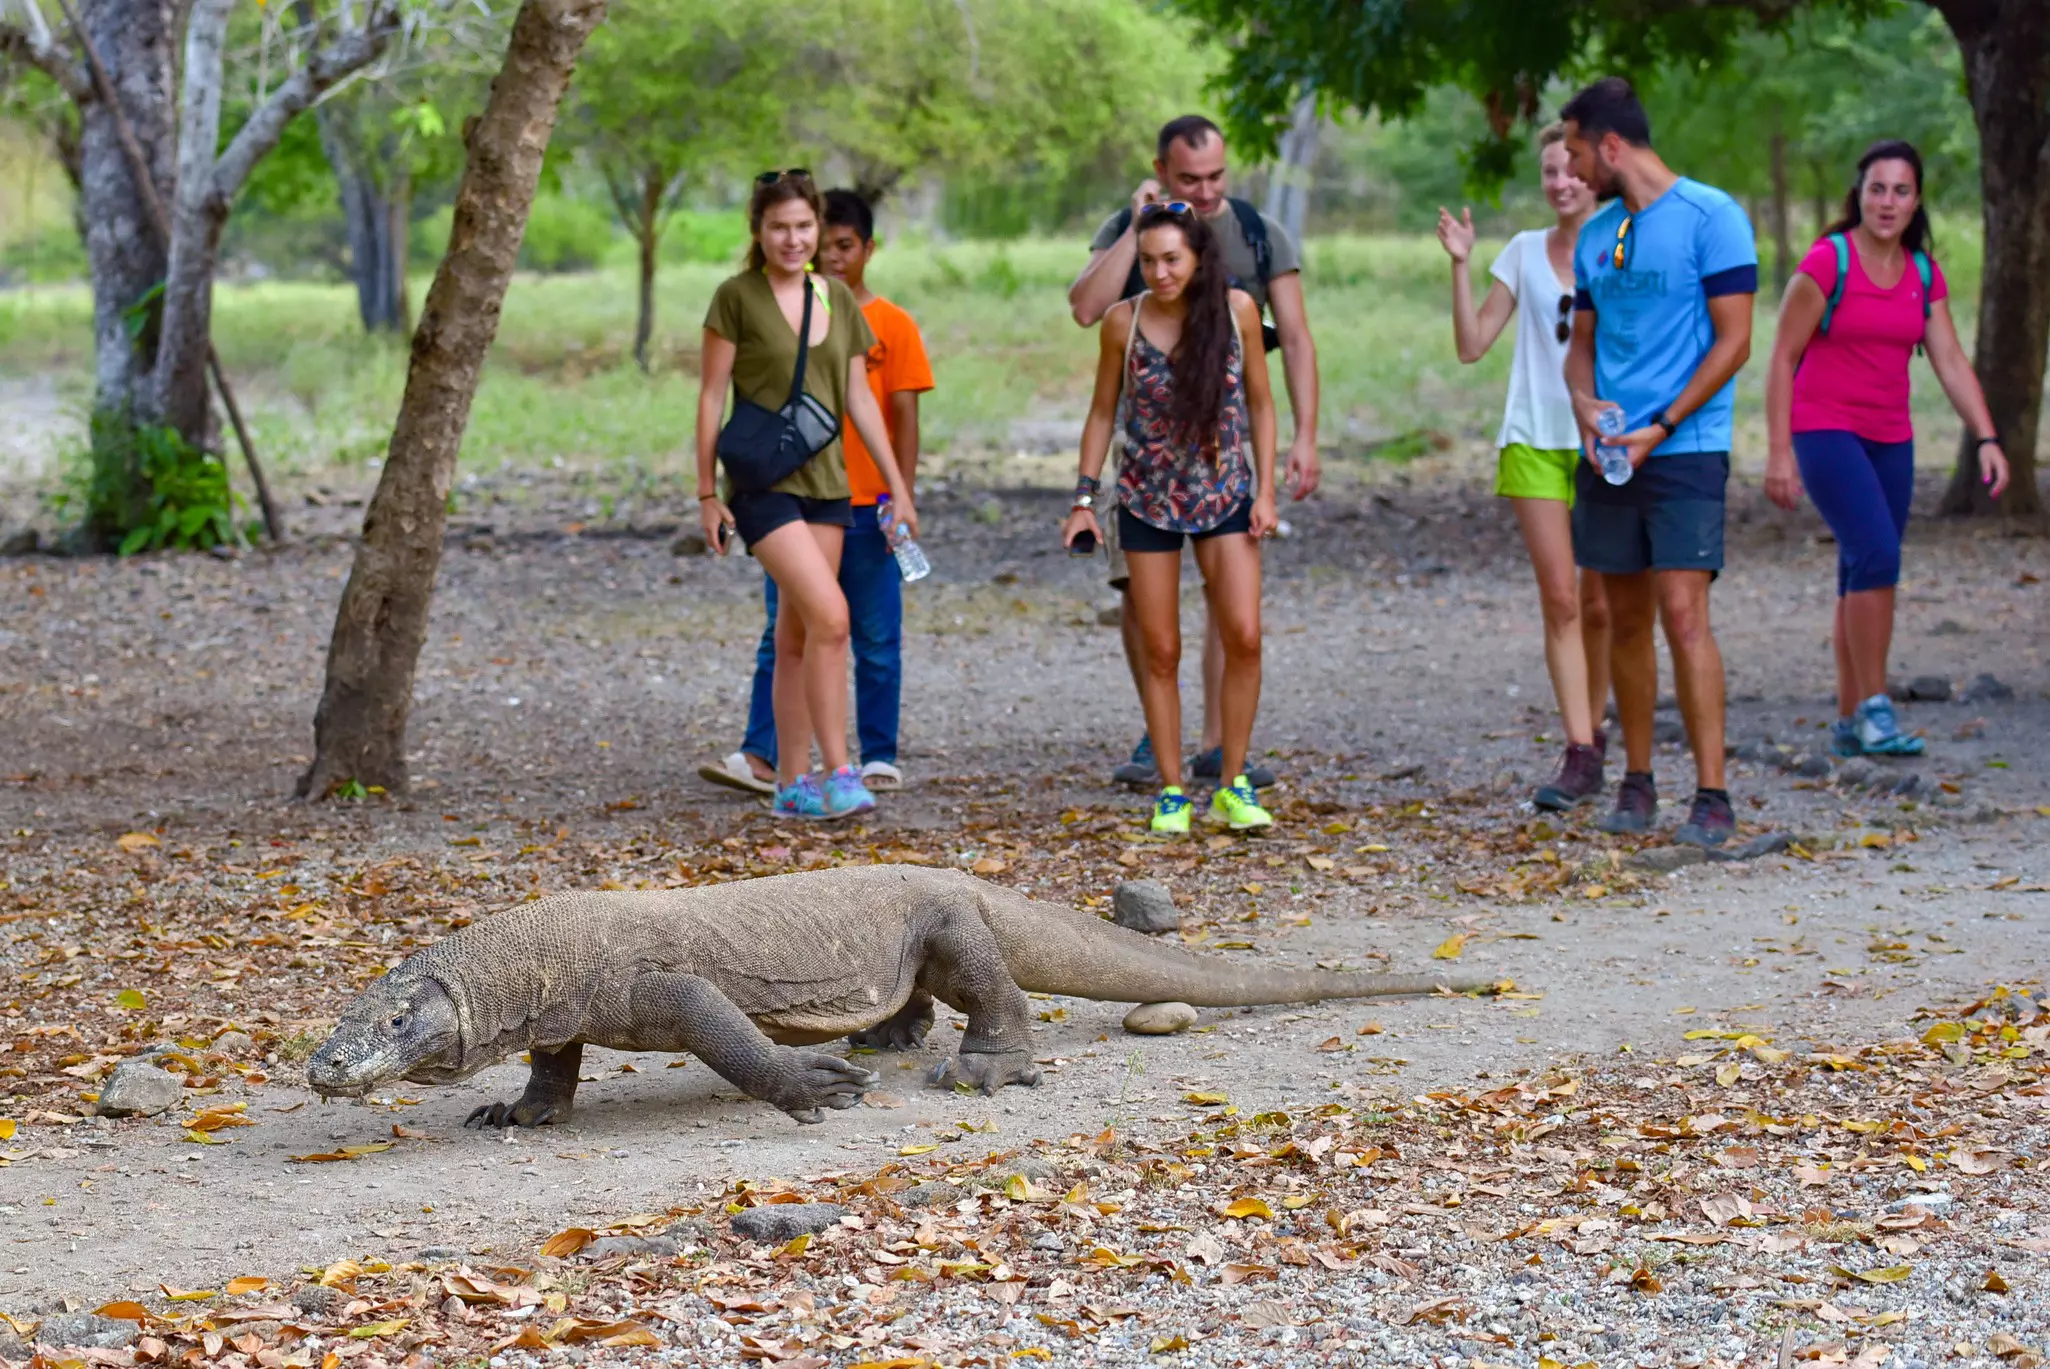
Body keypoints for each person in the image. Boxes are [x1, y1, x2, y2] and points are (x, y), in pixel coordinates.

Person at [1069, 115, 1319, 793]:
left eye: (1216, 178)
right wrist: (1138, 224)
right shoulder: (1131, 274)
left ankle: (1221, 754)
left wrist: (1292, 454)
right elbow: (1087, 311)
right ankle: (1169, 759)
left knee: (1238, 624)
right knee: (1156, 635)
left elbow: (1287, 351)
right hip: (1145, 486)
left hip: (1224, 486)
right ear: (1162, 170)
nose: (1204, 192)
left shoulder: (1251, 264)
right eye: (1189, 180)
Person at [1763, 140, 2009, 758]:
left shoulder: (1923, 274)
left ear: (1916, 200)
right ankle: (1876, 707)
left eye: (1901, 191)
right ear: (1860, 193)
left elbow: (1949, 360)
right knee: (1876, 555)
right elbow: (1781, 358)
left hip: (1891, 436)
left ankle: (1849, 718)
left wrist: (1986, 435)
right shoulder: (1828, 263)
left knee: (1861, 567)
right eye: (1878, 188)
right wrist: (1777, 452)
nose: (1888, 201)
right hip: (1824, 428)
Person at [1560, 77, 1758, 848]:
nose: (1571, 169)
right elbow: (1581, 346)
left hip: (1688, 448)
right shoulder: (1596, 235)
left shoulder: (1715, 217)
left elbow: (1735, 341)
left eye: (1577, 152)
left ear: (1611, 144)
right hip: (1611, 455)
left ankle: (1712, 795)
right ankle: (1636, 781)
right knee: (1624, 619)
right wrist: (1585, 407)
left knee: (1684, 614)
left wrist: (1663, 424)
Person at [695, 172, 919, 822]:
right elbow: (711, 396)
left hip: (829, 487)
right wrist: (707, 493)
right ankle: (839, 769)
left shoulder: (836, 300)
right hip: (764, 487)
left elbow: (858, 399)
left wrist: (897, 487)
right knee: (832, 617)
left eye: (802, 227)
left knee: (797, 634)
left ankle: (793, 784)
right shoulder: (736, 297)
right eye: (778, 227)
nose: (792, 239)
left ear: (817, 229)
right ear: (758, 231)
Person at [1062, 204, 1279, 837]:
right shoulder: (1121, 323)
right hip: (1145, 499)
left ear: (1199, 259)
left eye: (1172, 259)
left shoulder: (1237, 313)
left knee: (1243, 634)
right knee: (1161, 649)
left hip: (1225, 495)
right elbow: (1103, 412)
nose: (1160, 272)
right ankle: (1172, 790)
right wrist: (1082, 498)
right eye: (1149, 260)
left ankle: (1233, 782)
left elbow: (1262, 405)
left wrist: (1266, 491)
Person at [1435, 123, 1614, 811]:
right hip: (1535, 439)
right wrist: (1459, 262)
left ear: (1596, 174)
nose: (1562, 182)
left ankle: (1595, 729)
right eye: (1550, 171)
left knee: (1601, 602)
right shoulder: (1521, 252)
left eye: (1573, 169)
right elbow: (1472, 344)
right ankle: (1580, 748)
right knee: (1563, 599)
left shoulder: (1622, 246)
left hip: (1604, 440)